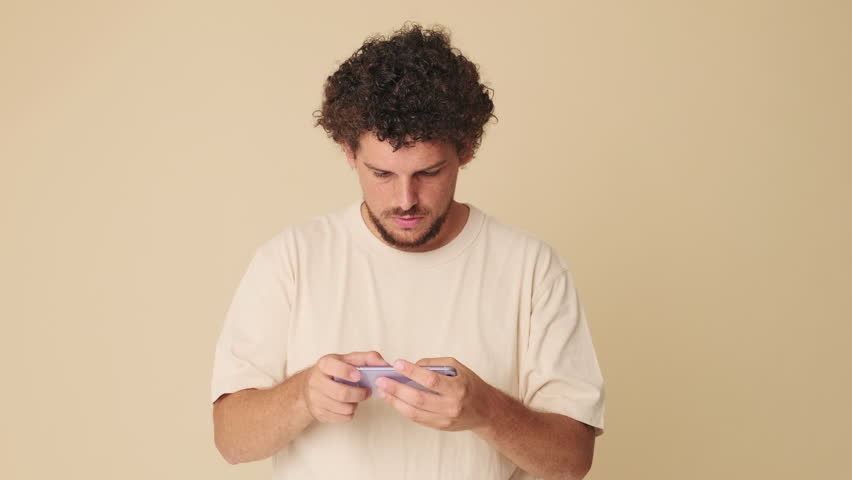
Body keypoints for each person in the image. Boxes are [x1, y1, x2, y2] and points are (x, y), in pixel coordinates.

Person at [210, 23, 605, 480]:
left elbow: (573, 461)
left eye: (429, 172)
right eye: (382, 174)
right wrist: (304, 396)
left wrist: (488, 412)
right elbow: (230, 440)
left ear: (467, 149)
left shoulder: (533, 268)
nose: (405, 200)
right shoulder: (290, 259)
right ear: (348, 153)